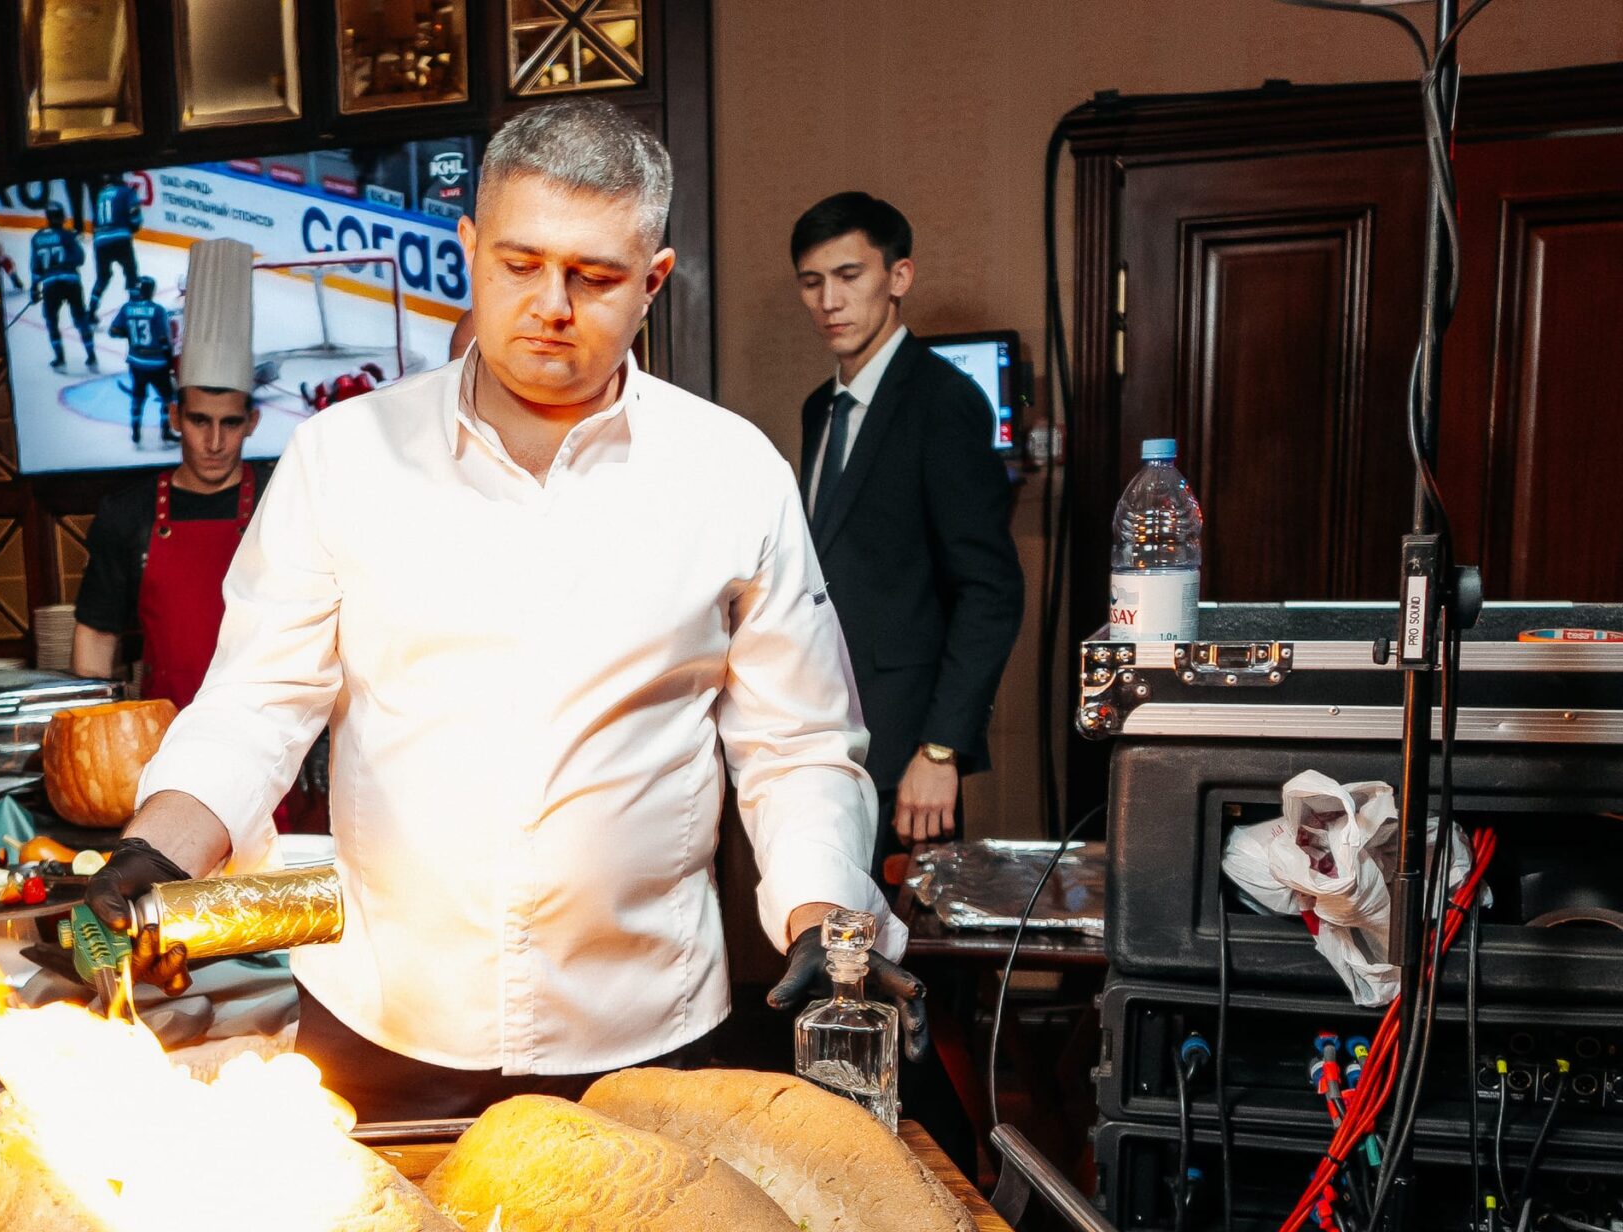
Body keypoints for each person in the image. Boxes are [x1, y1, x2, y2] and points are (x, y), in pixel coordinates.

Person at [86, 102, 924, 1123]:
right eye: (519, 264)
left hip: (643, 1025)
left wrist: (821, 914)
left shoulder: (731, 472)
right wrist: (158, 850)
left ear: (653, 281)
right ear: (469, 249)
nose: (551, 306)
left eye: (595, 276)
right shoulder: (342, 457)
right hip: (388, 1017)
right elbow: (258, 701)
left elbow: (797, 745)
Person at [791, 192, 1024, 869]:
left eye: (849, 275)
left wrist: (941, 749)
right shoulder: (819, 408)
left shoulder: (943, 401)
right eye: (811, 282)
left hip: (908, 750)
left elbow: (990, 591)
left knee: (900, 933)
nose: (829, 301)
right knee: (833, 925)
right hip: (826, 735)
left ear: (898, 277)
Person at [74, 239, 262, 709]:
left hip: (272, 738)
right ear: (176, 417)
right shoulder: (127, 514)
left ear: (252, 422)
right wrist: (92, 725)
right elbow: (97, 636)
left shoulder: (282, 503)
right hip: (166, 734)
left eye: (230, 423)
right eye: (199, 421)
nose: (214, 442)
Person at [22, 205, 98, 372]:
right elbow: (80, 258)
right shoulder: (68, 235)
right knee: (80, 318)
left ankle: (60, 358)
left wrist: (34, 288)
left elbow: (35, 267)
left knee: (51, 321)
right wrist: (65, 265)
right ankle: (91, 355)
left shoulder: (37, 238)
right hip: (71, 281)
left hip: (50, 285)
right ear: (62, 217)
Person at [109, 278, 177, 449]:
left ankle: (136, 432)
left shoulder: (127, 308)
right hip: (157, 362)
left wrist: (130, 335)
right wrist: (169, 360)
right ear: (151, 290)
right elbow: (163, 338)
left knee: (138, 396)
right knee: (167, 397)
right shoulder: (158, 310)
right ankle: (166, 431)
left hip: (136, 361)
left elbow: (113, 331)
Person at [87, 172, 144, 313]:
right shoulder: (127, 191)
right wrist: (134, 226)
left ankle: (91, 310)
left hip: (100, 240)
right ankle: (134, 306)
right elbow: (134, 213)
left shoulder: (101, 194)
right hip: (120, 238)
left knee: (102, 277)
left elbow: (96, 220)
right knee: (131, 272)